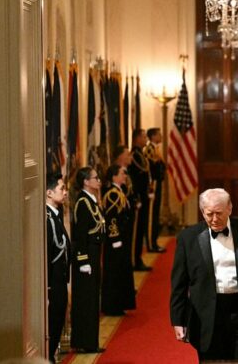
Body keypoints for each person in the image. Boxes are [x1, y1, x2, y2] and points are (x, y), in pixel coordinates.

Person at [170, 188, 238, 361]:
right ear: (202, 212)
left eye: (219, 213)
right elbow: (179, 283)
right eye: (209, 214)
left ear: (230, 209)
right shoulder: (187, 238)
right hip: (206, 316)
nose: (214, 219)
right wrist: (178, 319)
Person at [69, 167, 107, 353]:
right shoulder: (83, 203)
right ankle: (86, 342)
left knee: (93, 298)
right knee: (86, 299)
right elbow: (80, 234)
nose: (99, 180)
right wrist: (83, 260)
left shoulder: (92, 201)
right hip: (87, 255)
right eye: (95, 178)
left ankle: (90, 341)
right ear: (85, 181)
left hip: (95, 251)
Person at [101, 165, 136, 316]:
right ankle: (112, 305)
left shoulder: (121, 192)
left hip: (123, 239)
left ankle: (120, 303)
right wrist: (115, 238)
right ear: (114, 176)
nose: (125, 176)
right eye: (122, 173)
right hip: (116, 241)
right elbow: (112, 219)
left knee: (121, 271)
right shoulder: (112, 195)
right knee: (114, 272)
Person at [45, 172, 70, 363]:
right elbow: (47, 253)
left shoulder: (55, 215)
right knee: (53, 323)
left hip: (60, 279)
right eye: (61, 189)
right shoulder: (47, 220)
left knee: (58, 320)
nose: (65, 192)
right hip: (53, 283)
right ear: (49, 193)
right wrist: (47, 287)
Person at [128, 129, 152, 271]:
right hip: (139, 198)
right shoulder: (135, 155)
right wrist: (137, 197)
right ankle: (135, 260)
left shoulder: (140, 154)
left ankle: (138, 258)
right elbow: (136, 180)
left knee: (142, 228)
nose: (146, 140)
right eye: (143, 137)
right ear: (137, 138)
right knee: (137, 231)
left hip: (144, 196)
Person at [144, 128, 166, 253]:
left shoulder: (156, 149)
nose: (161, 136)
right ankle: (151, 244)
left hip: (158, 183)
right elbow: (150, 169)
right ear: (152, 136)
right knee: (152, 215)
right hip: (153, 185)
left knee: (156, 213)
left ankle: (154, 241)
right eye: (159, 134)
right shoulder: (149, 149)